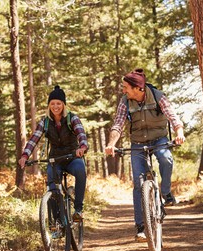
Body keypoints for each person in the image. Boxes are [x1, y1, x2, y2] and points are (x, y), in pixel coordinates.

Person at [105, 68, 185, 242]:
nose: (123, 90)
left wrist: (179, 132)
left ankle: (165, 193)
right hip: (138, 143)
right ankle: (141, 227)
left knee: (165, 158)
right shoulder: (125, 101)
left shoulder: (157, 96)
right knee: (138, 184)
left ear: (138, 88)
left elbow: (173, 117)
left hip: (159, 139)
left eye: (126, 87)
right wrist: (111, 144)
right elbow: (118, 124)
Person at [18, 85, 88, 222]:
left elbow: (81, 135)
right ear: (49, 106)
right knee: (52, 186)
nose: (55, 106)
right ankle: (56, 222)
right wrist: (25, 156)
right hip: (55, 160)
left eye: (58, 103)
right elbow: (34, 139)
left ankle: (78, 210)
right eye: (52, 104)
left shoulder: (72, 119)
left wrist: (82, 147)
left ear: (63, 104)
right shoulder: (45, 122)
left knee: (81, 171)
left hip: (72, 157)